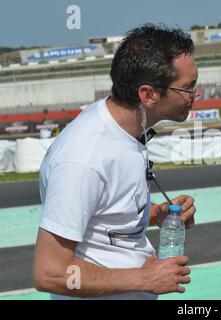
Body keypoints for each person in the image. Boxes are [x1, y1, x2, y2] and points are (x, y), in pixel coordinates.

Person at [34, 24, 200, 300]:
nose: (196, 94)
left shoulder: (125, 129)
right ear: (148, 95)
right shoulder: (83, 159)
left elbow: (102, 215)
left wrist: (156, 214)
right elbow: (50, 272)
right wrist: (144, 278)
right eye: (188, 87)